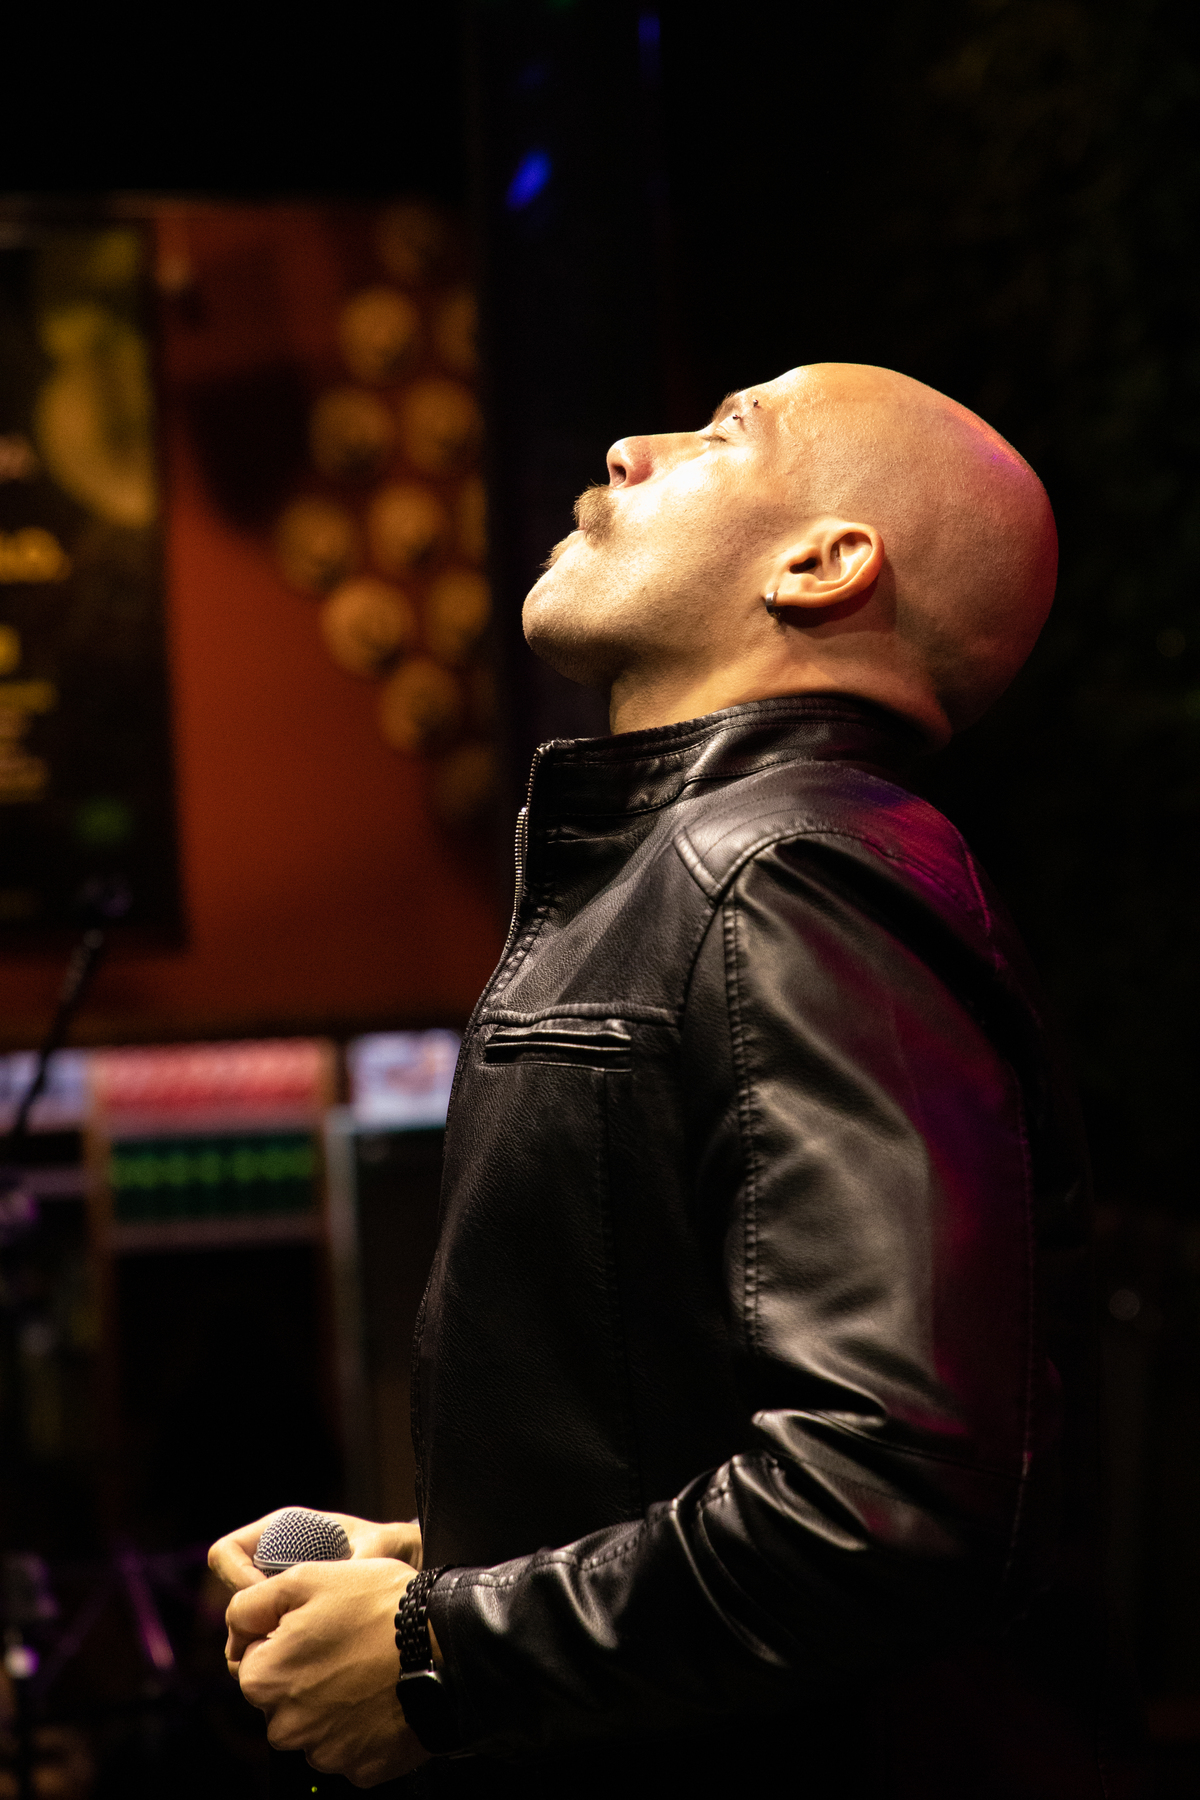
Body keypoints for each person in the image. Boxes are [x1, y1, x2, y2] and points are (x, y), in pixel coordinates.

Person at [211, 364, 1143, 1796]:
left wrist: (450, 1652)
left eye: (722, 434)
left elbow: (889, 1495)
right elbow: (698, 1441)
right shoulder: (728, 868)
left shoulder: (790, 871)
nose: (627, 448)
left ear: (824, 564)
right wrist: (467, 1556)